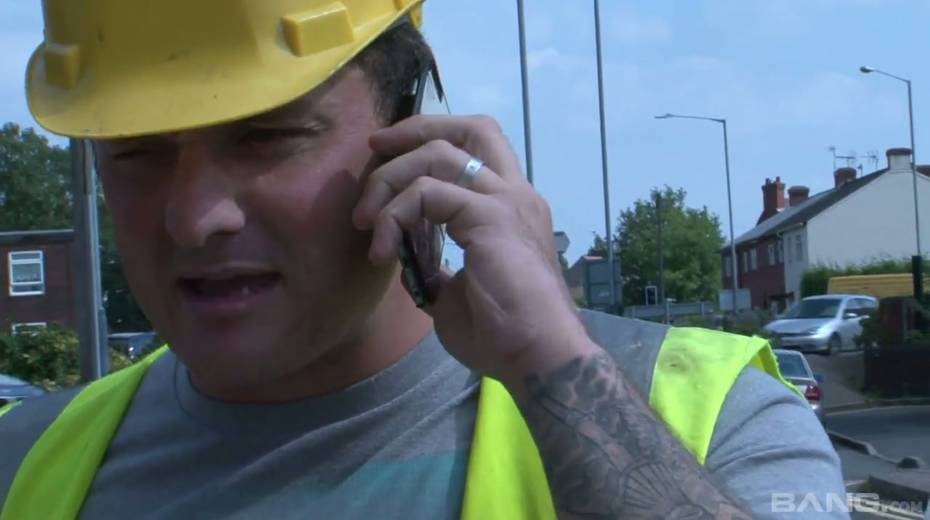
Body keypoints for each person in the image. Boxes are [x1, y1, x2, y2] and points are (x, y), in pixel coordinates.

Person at [0, 1, 847, 518]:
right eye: (137, 153)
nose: (195, 219)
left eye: (266, 138)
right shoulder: (22, 464)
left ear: (412, 128)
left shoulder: (708, 426)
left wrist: (553, 363)